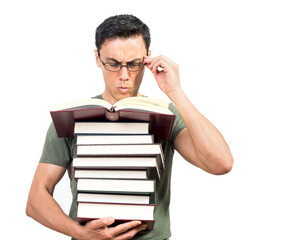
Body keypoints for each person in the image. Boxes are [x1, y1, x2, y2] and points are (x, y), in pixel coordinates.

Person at [26, 14, 233, 240]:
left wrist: (175, 92)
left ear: (147, 58)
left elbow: (221, 163)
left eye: (134, 64)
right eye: (113, 64)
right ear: (97, 58)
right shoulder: (71, 117)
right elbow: (36, 200)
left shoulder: (166, 114)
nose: (124, 76)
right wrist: (80, 233)